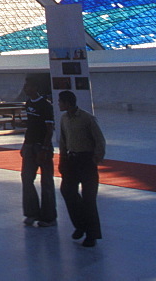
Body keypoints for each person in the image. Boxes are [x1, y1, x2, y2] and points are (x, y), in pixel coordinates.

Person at [57, 90, 106, 248]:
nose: (58, 104)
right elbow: (63, 141)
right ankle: (80, 225)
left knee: (89, 199)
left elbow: (99, 139)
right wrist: (62, 159)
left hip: (86, 160)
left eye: (60, 102)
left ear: (67, 103)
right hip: (72, 160)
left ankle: (92, 235)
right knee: (67, 191)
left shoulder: (86, 118)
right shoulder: (64, 119)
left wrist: (97, 157)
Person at [20, 78, 57, 227]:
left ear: (35, 87)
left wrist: (44, 148)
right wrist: (25, 144)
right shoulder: (28, 104)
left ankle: (49, 217)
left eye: (27, 86)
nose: (25, 89)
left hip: (42, 147)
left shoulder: (46, 106)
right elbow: (30, 126)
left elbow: (49, 130)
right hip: (29, 145)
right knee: (27, 178)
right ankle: (31, 213)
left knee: (46, 181)